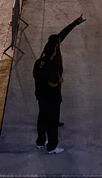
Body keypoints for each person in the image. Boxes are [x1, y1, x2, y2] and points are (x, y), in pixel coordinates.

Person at [34, 15, 85, 154]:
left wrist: (75, 23)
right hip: (52, 97)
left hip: (40, 95)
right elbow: (54, 81)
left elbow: (62, 34)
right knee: (52, 122)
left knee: (42, 117)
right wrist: (59, 80)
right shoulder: (52, 66)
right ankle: (52, 146)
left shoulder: (39, 62)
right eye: (58, 44)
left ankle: (40, 142)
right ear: (55, 49)